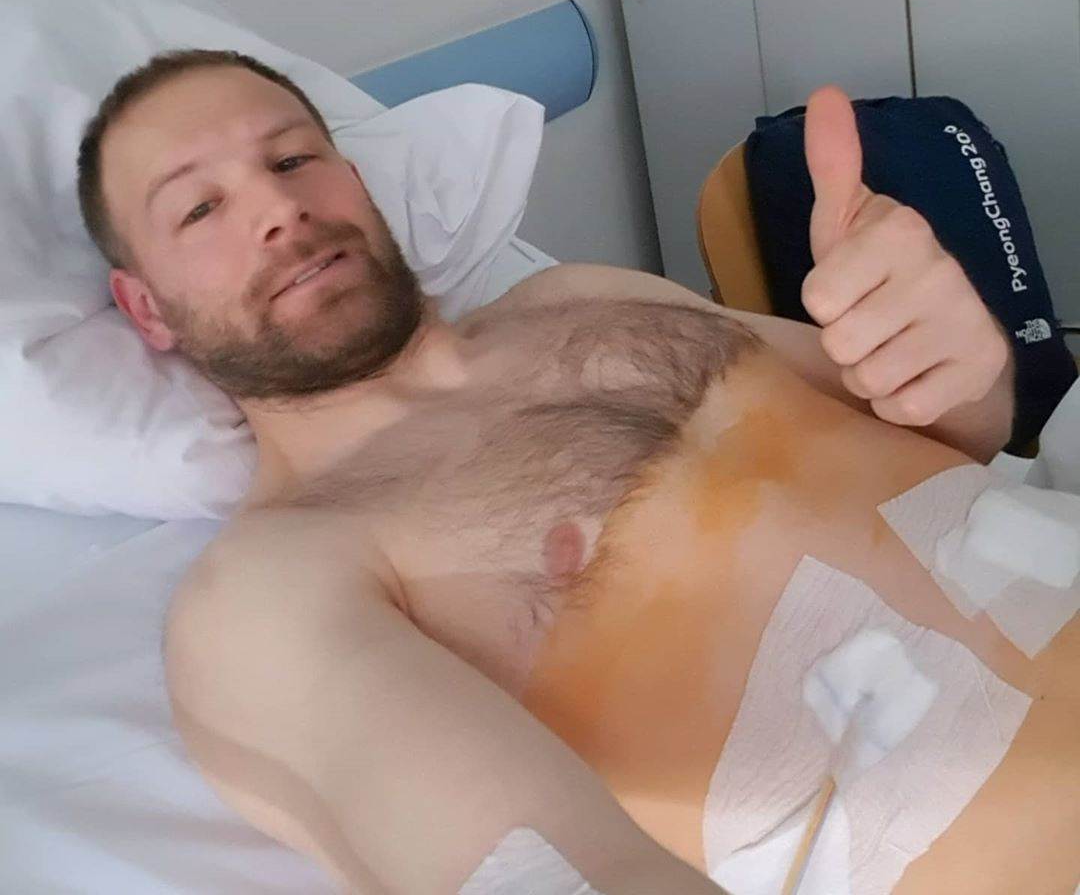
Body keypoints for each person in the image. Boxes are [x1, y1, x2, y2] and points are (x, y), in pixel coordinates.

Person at [77, 50, 1077, 894]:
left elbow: (953, 437)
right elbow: (542, 870)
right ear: (146, 308)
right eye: (200, 208)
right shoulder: (268, 590)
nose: (278, 208)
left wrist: (961, 359)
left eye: (294, 156)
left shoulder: (585, 296)